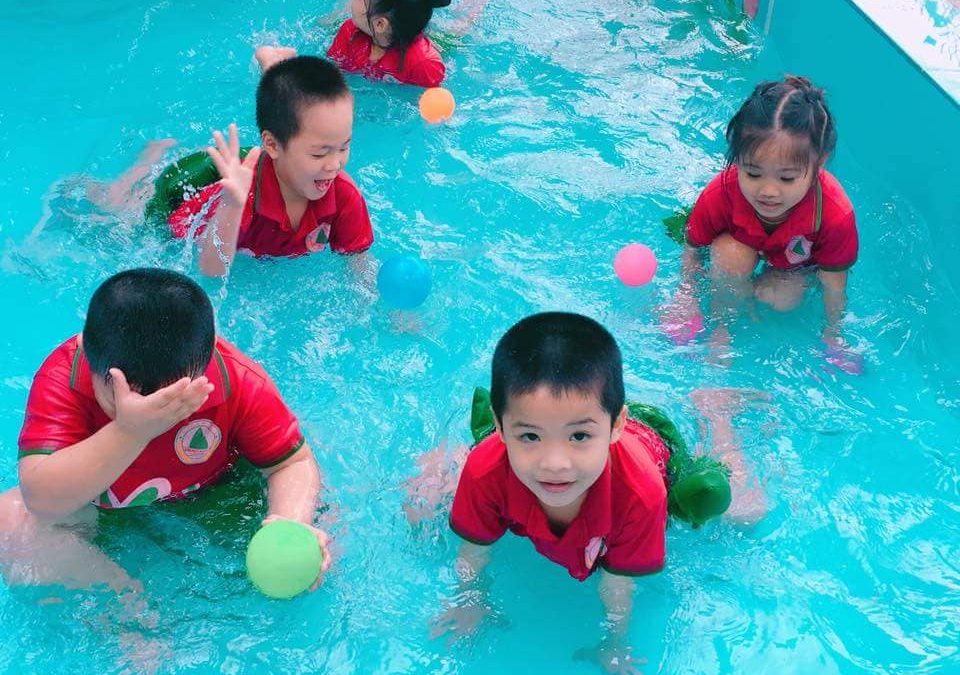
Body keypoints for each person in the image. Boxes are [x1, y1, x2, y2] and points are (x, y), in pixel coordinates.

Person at [405, 312, 764, 672]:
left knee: (743, 511)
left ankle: (716, 412)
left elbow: (617, 582)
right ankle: (484, 443)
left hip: (653, 448)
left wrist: (614, 642)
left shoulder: (640, 493)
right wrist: (471, 600)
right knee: (430, 495)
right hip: (566, 427)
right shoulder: (485, 468)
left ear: (617, 425)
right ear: (501, 426)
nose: (555, 464)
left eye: (578, 437)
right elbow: (474, 549)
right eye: (530, 436)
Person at [0, 268, 331, 593]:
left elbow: (292, 462)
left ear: (205, 362)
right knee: (9, 522)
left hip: (217, 495)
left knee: (321, 536)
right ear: (87, 352)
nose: (152, 413)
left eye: (171, 402)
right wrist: (129, 431)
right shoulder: (64, 377)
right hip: (108, 514)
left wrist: (289, 521)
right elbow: (42, 500)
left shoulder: (236, 379)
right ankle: (126, 606)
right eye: (119, 397)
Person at [662, 75, 859, 369]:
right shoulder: (721, 192)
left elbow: (833, 285)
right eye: (753, 173)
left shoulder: (833, 213)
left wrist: (833, 334)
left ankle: (750, 295)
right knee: (730, 255)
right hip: (737, 245)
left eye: (787, 178)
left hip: (791, 267)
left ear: (820, 162)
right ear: (737, 159)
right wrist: (685, 296)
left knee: (784, 298)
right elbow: (692, 250)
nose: (768, 191)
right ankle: (722, 326)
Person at [147, 55, 373, 276]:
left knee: (287, 113)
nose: (334, 165)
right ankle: (150, 154)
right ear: (272, 145)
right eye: (319, 153)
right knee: (142, 202)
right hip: (179, 195)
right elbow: (210, 270)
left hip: (273, 154)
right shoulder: (239, 195)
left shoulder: (344, 195)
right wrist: (232, 206)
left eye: (343, 148)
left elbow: (359, 265)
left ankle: (275, 64)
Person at [256, 0, 451, 88]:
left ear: (380, 24)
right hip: (396, 27)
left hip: (424, 39)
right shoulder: (349, 32)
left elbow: (432, 99)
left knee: (454, 36)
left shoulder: (424, 63)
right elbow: (332, 73)